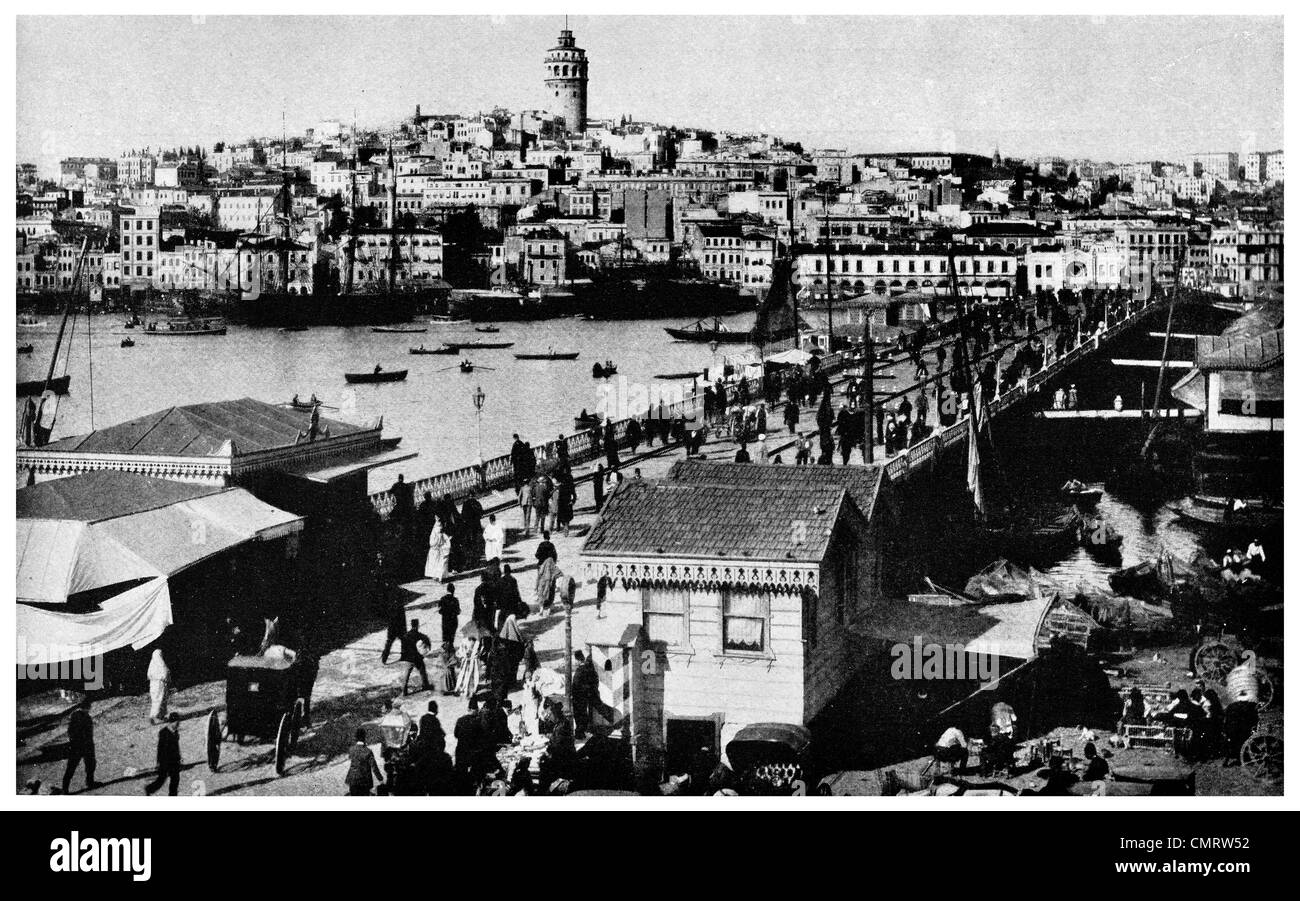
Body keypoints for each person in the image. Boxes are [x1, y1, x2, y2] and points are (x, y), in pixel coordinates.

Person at [63, 697, 97, 794]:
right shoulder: (81, 717)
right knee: (73, 766)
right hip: (80, 746)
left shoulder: (82, 716)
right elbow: (72, 732)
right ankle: (66, 788)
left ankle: (66, 788)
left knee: (89, 764)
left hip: (82, 746)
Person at [143, 714, 181, 796]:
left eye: (179, 723)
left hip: (174, 760)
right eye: (177, 723)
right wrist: (160, 762)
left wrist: (179, 756)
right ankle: (149, 789)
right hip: (165, 761)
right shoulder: (164, 733)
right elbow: (160, 749)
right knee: (161, 780)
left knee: (175, 780)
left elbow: (176, 746)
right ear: (171, 722)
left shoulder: (176, 732)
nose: (178, 725)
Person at [345, 728, 383, 796]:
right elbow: (374, 767)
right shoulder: (368, 751)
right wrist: (380, 779)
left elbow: (352, 759)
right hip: (365, 781)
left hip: (353, 780)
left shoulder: (351, 750)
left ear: (356, 737)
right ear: (364, 737)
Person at [399, 619, 432, 696]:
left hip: (409, 659)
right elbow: (427, 639)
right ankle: (425, 686)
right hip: (417, 658)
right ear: (417, 625)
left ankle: (404, 691)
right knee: (423, 672)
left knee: (406, 675)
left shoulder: (406, 635)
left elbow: (403, 648)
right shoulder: (419, 635)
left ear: (411, 625)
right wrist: (428, 647)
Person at [572, 650, 600, 737]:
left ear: (578, 660)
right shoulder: (589, 668)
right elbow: (595, 680)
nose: (574, 663)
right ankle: (584, 731)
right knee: (584, 713)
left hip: (579, 696)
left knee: (578, 715)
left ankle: (580, 733)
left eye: (575, 660)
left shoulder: (579, 671)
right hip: (587, 696)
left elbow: (575, 685)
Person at [147, 648, 170, 723]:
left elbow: (149, 675)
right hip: (159, 684)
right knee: (160, 700)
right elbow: (165, 672)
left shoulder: (152, 664)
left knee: (158, 700)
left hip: (154, 684)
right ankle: (155, 716)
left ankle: (159, 716)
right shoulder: (160, 664)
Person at [424, 515, 450, 582]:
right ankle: (436, 575)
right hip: (435, 549)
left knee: (440, 563)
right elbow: (432, 542)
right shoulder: (434, 533)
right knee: (434, 563)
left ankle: (440, 576)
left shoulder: (442, 533)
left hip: (440, 549)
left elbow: (445, 538)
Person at [436, 585, 460, 653]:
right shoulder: (455, 600)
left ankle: (446, 650)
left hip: (445, 621)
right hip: (453, 621)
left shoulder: (442, 599)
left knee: (445, 637)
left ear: (447, 590)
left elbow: (440, 611)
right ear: (453, 591)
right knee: (451, 637)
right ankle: (451, 649)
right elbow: (458, 611)